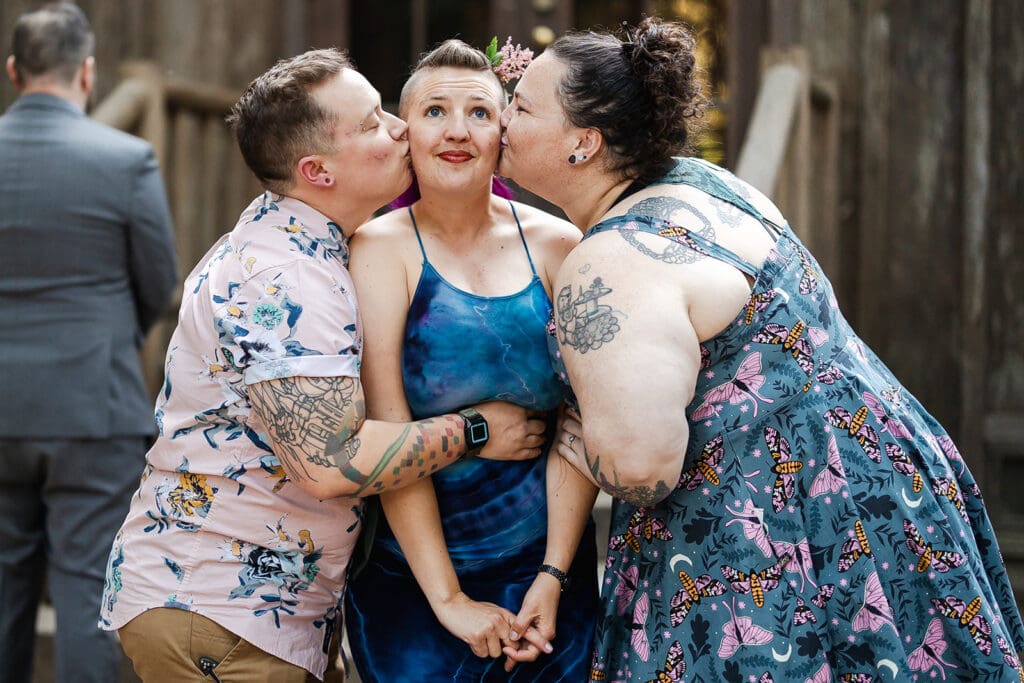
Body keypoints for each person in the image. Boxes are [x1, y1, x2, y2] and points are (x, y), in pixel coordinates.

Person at [498, 17, 1024, 682]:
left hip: (760, 532)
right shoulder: (706, 185)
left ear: (584, 143)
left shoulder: (609, 262)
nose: (501, 116)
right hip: (881, 480)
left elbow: (641, 469)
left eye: (520, 105)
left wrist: (558, 417)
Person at [98, 47, 547, 682]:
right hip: (219, 606)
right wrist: (478, 429)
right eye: (370, 123)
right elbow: (330, 463)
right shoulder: (287, 277)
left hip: (262, 612)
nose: (397, 127)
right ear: (317, 171)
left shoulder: (305, 237)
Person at [343, 39, 598, 681]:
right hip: (413, 584)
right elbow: (389, 425)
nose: (457, 131)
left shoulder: (559, 245)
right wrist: (450, 602)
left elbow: (579, 422)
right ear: (405, 132)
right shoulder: (379, 249)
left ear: (504, 131)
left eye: (480, 113)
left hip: (546, 575)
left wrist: (554, 575)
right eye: (434, 112)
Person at [0, 4, 178, 682]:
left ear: (14, 71)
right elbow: (159, 283)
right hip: (90, 404)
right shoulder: (125, 157)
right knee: (84, 587)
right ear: (89, 72)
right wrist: (107, 339)